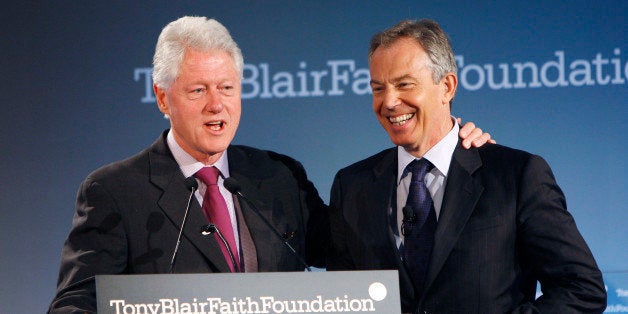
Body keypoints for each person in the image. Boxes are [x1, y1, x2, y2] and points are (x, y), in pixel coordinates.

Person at [48, 16, 490, 313]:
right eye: (198, 91)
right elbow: (75, 304)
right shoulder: (115, 190)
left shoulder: (277, 176)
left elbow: (355, 249)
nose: (216, 105)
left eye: (227, 87)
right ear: (163, 97)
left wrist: (446, 149)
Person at [326, 19, 607, 313]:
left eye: (404, 84)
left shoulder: (516, 175)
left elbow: (581, 288)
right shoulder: (352, 185)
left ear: (446, 87)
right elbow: (344, 298)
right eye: (378, 88)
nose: (389, 102)